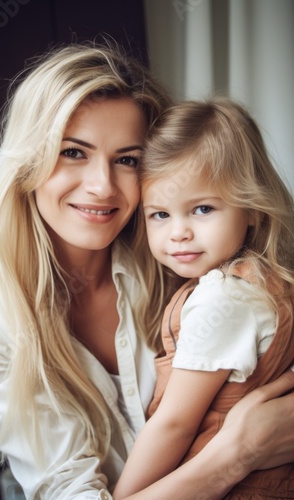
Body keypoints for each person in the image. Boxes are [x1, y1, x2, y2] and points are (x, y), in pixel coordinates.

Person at [0, 44, 293, 500]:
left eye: (127, 160)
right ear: (27, 162)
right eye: (74, 152)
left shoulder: (187, 259)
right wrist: (237, 455)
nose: (101, 186)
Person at [113, 99, 294, 499]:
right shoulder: (257, 283)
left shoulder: (225, 299)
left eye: (202, 209)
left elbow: (175, 424)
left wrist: (123, 497)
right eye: (159, 214)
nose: (178, 232)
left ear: (252, 210)